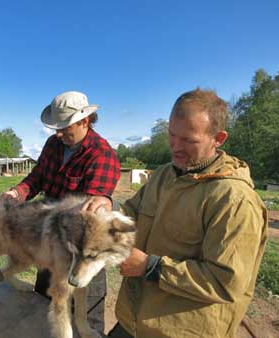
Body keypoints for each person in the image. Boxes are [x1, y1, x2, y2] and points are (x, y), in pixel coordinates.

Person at [101, 88, 268, 338]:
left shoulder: (234, 200)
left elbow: (226, 282)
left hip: (181, 332)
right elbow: (131, 213)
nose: (176, 147)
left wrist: (150, 266)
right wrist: (105, 212)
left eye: (189, 140)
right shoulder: (164, 175)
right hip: (131, 322)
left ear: (218, 138)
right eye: (171, 135)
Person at [2, 90, 121, 332]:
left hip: (81, 247)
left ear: (84, 121)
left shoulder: (102, 155)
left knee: (85, 312)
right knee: (46, 300)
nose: (58, 133)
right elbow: (36, 178)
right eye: (56, 127)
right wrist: (19, 193)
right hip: (50, 237)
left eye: (65, 128)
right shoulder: (54, 144)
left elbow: (87, 216)